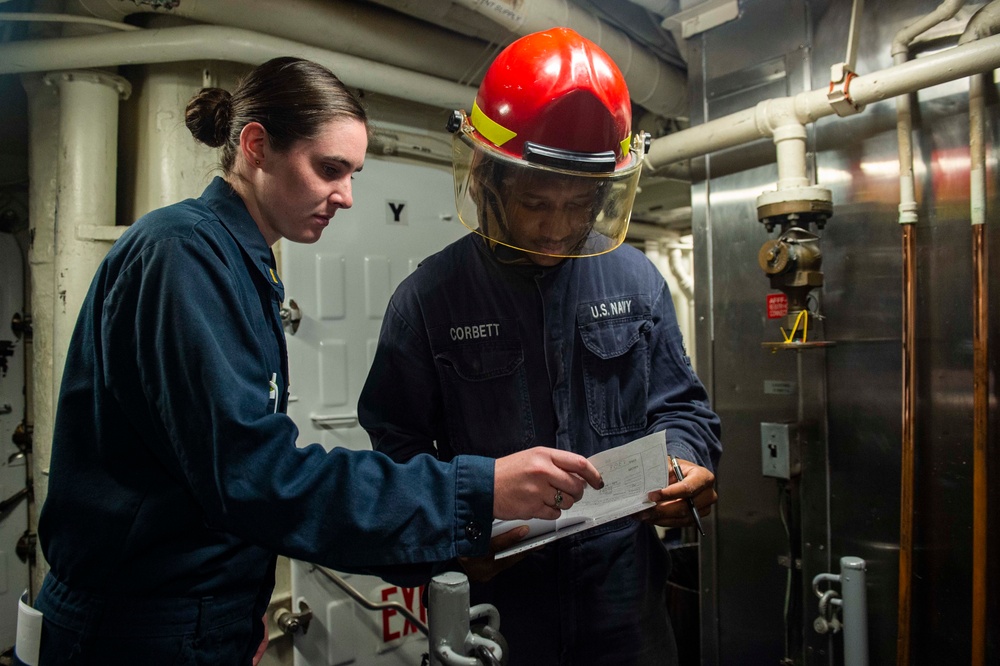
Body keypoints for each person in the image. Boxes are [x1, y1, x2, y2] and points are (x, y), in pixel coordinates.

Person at [26, 56, 604, 666]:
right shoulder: (182, 256)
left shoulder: (238, 262)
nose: (347, 197)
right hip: (139, 627)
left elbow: (229, 483)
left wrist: (238, 611)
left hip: (195, 615)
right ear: (256, 146)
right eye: (330, 169)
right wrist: (480, 490)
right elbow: (257, 478)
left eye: (354, 174)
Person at [359, 28, 723, 666]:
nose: (557, 228)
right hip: (501, 605)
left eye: (580, 205)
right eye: (535, 204)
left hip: (626, 607)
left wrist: (685, 466)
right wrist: (451, 537)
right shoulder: (428, 301)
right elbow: (398, 453)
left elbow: (683, 410)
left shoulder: (637, 282)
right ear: (484, 180)